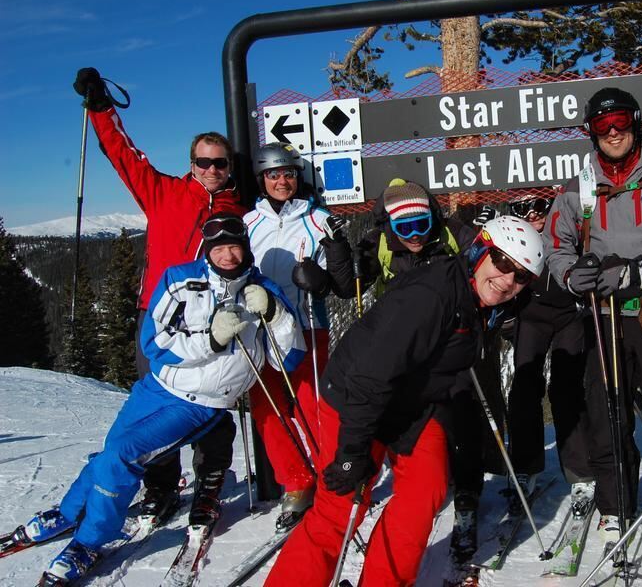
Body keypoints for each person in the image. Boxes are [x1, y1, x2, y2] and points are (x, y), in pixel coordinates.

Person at [22, 213, 304, 585]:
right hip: (157, 387)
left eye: (235, 246)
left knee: (123, 454)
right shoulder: (180, 280)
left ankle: (88, 542)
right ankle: (73, 508)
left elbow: (287, 358)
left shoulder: (263, 291)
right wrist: (211, 340)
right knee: (112, 451)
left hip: (201, 401)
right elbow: (153, 342)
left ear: (246, 248)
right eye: (219, 247)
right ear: (208, 248)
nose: (228, 255)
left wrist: (276, 313)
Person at [264, 216, 544, 586]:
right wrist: (352, 454)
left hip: (412, 404)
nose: (508, 279)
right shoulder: (430, 297)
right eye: (503, 262)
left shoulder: (481, 296)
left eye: (521, 275)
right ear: (479, 251)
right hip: (356, 399)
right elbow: (369, 376)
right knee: (341, 507)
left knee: (424, 490)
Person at [72, 68, 244, 522]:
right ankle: (162, 485)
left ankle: (210, 480)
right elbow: (122, 154)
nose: (211, 170)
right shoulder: (163, 192)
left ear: (229, 167)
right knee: (157, 402)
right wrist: (100, 106)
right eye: (203, 163)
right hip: (159, 316)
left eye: (219, 163)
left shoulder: (239, 207)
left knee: (213, 402)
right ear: (191, 164)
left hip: (216, 319)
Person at [545, 87, 642, 547]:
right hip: (603, 316)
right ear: (591, 133)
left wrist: (640, 272)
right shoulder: (578, 188)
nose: (612, 133)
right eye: (601, 126)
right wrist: (574, 276)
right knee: (606, 413)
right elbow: (557, 246)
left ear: (635, 124)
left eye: (619, 123)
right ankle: (615, 506)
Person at [243, 142, 339, 530]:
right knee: (267, 407)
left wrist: (321, 281)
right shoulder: (249, 223)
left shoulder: (318, 219)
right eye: (273, 175)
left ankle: (334, 475)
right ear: (262, 180)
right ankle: (297, 481)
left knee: (313, 405)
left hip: (306, 326)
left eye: (288, 175)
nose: (282, 181)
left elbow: (344, 276)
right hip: (260, 330)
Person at [504, 191, 593, 505]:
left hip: (570, 314)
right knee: (525, 388)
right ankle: (526, 467)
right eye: (521, 208)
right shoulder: (513, 235)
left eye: (539, 206)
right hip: (531, 315)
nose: (532, 215)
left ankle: (581, 472)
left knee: (566, 389)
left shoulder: (566, 224)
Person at [326, 178, 474, 299]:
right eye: (405, 229)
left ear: (431, 220)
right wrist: (336, 246)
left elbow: (481, 262)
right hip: (399, 324)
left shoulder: (451, 233)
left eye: (421, 225)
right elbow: (348, 289)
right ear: (392, 226)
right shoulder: (380, 243)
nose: (415, 235)